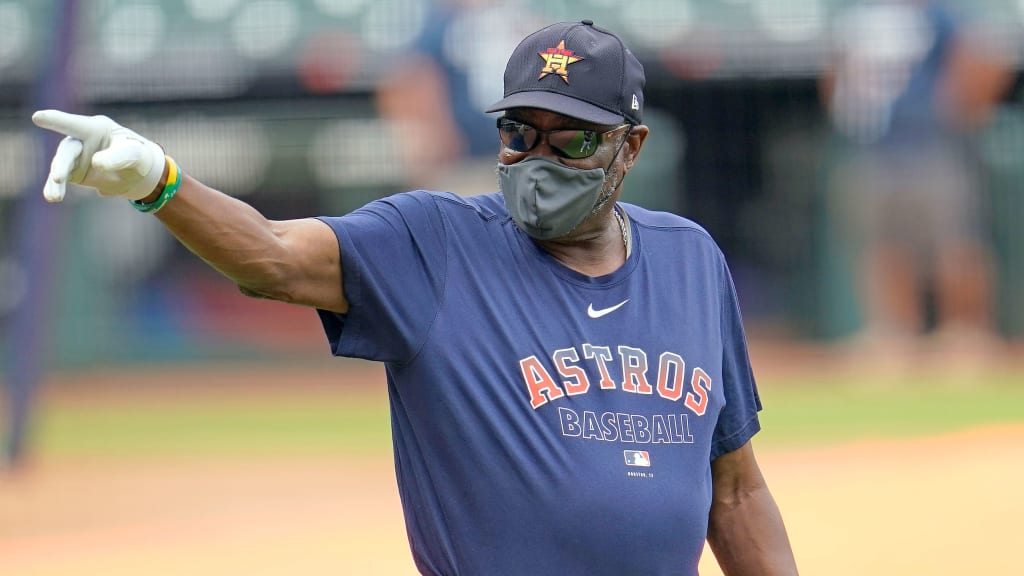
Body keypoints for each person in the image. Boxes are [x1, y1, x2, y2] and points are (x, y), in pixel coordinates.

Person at [32, 20, 798, 576]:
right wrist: (157, 182)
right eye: (519, 134)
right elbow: (269, 256)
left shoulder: (689, 260)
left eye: (570, 139)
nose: (538, 157)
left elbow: (734, 493)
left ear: (629, 147)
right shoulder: (433, 241)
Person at [821, 0, 1012, 357]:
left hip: (932, 144)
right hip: (873, 145)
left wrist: (955, 108)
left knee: (954, 240)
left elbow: (986, 60)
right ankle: (893, 334)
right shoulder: (858, 16)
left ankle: (966, 332)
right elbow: (835, 73)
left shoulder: (943, 15)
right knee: (883, 242)